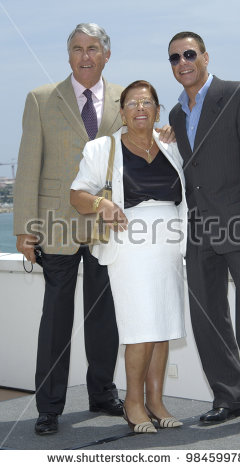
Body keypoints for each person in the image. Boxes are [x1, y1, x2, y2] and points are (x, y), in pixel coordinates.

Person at [13, 23, 126, 435]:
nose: (85, 56)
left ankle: (102, 392)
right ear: (68, 56)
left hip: (106, 227)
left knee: (103, 316)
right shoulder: (41, 99)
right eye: (77, 48)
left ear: (106, 55)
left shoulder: (125, 100)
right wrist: (25, 229)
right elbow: (27, 168)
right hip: (56, 226)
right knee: (56, 320)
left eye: (93, 48)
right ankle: (48, 407)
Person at [168, 31, 240, 431]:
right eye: (175, 57)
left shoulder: (239, 94)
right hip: (199, 230)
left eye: (189, 54)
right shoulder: (177, 115)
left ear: (206, 57)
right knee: (208, 318)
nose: (183, 62)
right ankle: (227, 399)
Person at [70, 80, 187, 433]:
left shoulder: (171, 146)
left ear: (157, 110)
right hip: (129, 247)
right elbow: (76, 195)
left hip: (168, 246)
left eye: (147, 102)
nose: (140, 108)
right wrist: (101, 203)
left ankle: (156, 400)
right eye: (133, 103)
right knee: (140, 327)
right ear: (121, 112)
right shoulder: (101, 148)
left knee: (164, 324)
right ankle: (133, 402)